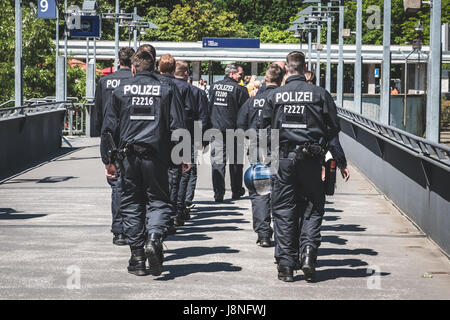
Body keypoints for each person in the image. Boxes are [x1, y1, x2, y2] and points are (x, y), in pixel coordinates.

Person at [100, 50, 188, 277]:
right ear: (155, 67)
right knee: (159, 200)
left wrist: (108, 161)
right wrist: (184, 155)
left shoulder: (120, 91)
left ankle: (137, 257)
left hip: (127, 157)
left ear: (133, 68)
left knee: (131, 203)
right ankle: (154, 238)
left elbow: (109, 129)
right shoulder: (167, 90)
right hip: (156, 156)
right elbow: (179, 125)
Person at [261, 51, 340, 283]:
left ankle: (286, 266)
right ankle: (307, 254)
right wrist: (319, 146)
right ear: (305, 67)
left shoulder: (275, 96)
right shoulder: (320, 94)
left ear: (287, 69)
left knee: (284, 210)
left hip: (283, 159)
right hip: (312, 159)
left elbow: (263, 129)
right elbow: (333, 127)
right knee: (313, 206)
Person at [237, 63, 285, 247]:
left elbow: (240, 125)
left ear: (265, 79)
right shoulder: (282, 98)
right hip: (280, 147)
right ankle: (283, 233)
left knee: (260, 190)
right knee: (282, 190)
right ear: (281, 80)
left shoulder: (253, 101)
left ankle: (264, 234)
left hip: (257, 147)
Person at [95, 46, 135, 246]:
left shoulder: (104, 82)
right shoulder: (135, 82)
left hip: (111, 138)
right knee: (136, 186)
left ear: (118, 61)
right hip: (132, 137)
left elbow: (99, 114)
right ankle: (133, 228)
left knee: (117, 187)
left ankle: (118, 230)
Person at [209, 63, 250, 202]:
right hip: (234, 129)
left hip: (216, 128)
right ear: (232, 74)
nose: (242, 76)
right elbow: (245, 112)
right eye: (240, 73)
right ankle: (236, 191)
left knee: (218, 162)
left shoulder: (214, 86)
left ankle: (218, 193)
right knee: (236, 163)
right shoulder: (241, 90)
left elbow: (210, 107)